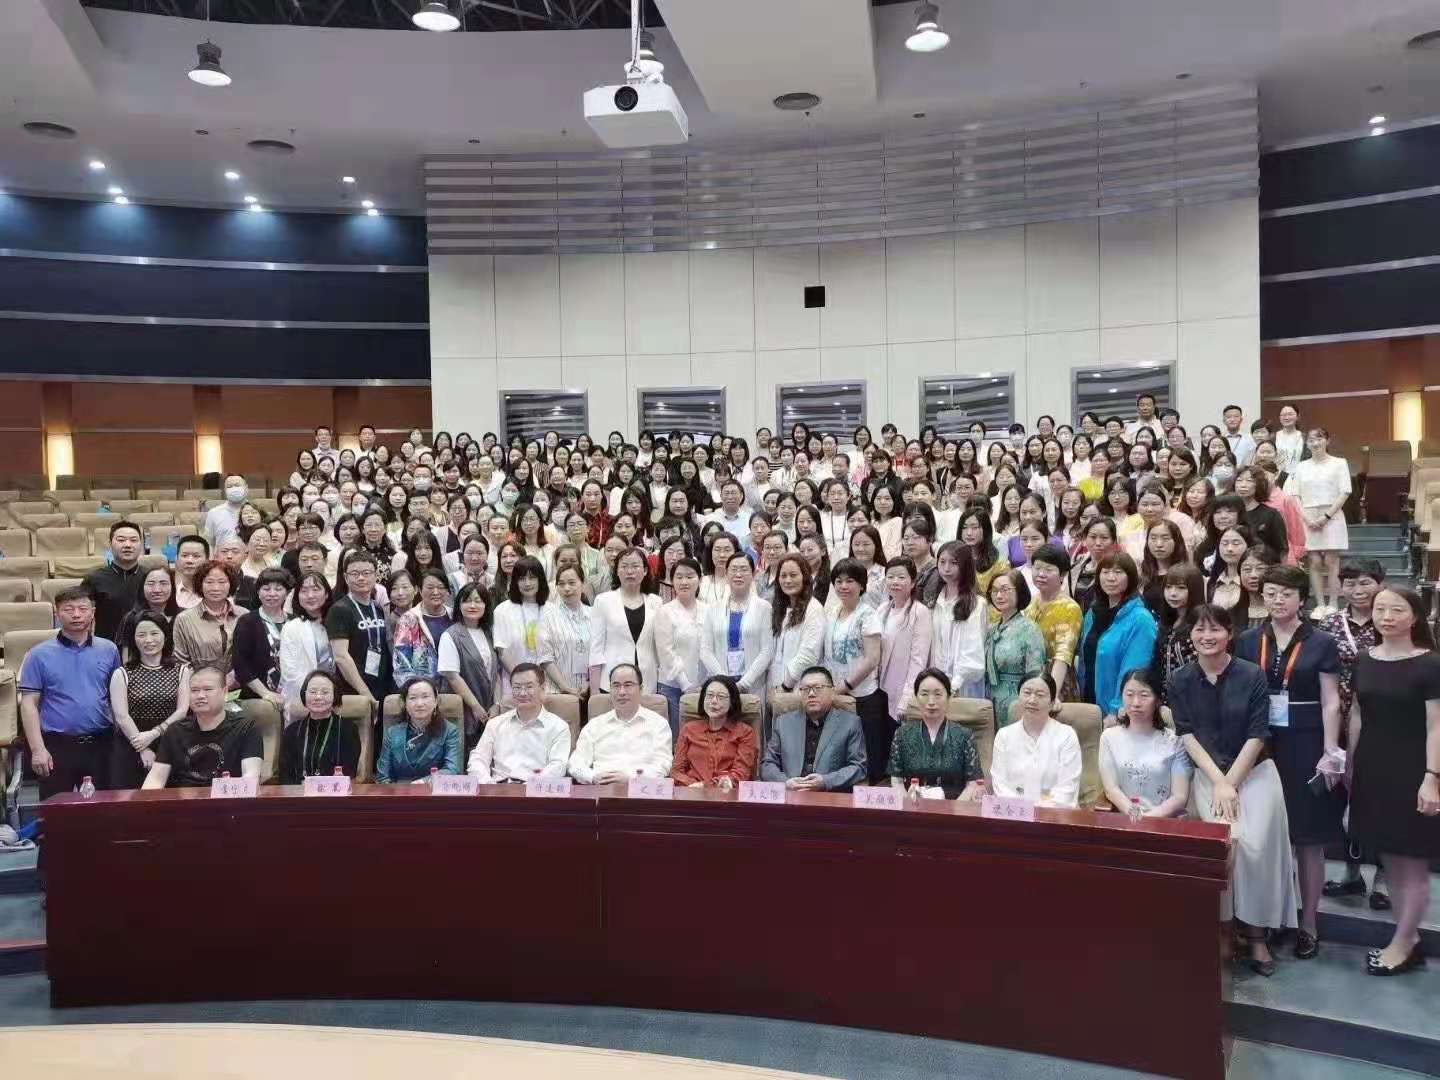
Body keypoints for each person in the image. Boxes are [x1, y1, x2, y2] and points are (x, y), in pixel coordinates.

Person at [1169, 604, 1297, 976]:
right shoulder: (1180, 679)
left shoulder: (1251, 674)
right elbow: (1187, 735)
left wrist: (1231, 783)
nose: (1206, 636)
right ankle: (1223, 931)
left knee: (1255, 848)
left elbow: (1258, 734)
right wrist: (1219, 782)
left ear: (1229, 633)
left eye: (1215, 629)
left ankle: (1256, 935)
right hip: (1208, 774)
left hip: (1254, 771)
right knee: (1223, 848)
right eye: (1199, 629)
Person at [1234, 564, 1345, 959]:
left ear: (1302, 598)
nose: (1277, 600)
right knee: (1264, 835)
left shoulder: (1322, 642)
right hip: (1261, 745)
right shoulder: (1248, 640)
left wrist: (1330, 750)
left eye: (1286, 594)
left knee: (1308, 839)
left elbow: (1331, 700)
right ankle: (1270, 918)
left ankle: (1309, 922)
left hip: (1307, 742)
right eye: (1270, 593)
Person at [1347, 586, 1440, 975]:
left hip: (1413, 769)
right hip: (1372, 766)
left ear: (1414, 616)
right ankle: (1408, 937)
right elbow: (1356, 713)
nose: (1386, 617)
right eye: (1380, 609)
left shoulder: (1430, 664)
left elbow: (1436, 726)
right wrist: (1350, 764)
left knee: (1412, 862)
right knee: (1390, 858)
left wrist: (1432, 777)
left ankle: (1403, 943)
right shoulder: (1363, 659)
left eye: (1396, 610)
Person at [1318, 559, 1389, 904]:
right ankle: (1351, 873)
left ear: (1379, 583)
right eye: (1349, 583)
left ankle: (1384, 880)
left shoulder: (1391, 616)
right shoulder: (1330, 623)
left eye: (1365, 582)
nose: (1358, 590)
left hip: (1383, 722)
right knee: (1343, 799)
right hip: (1337, 720)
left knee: (1383, 800)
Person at [18, 587, 121, 798]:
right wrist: (37, 749)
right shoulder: (38, 655)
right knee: (56, 810)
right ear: (57, 614)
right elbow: (28, 704)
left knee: (103, 809)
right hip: (57, 745)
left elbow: (116, 699)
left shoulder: (109, 650)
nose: (76, 614)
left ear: (93, 612)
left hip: (102, 744)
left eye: (82, 608)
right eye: (68, 609)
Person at [142, 664, 263, 788]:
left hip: (226, 797)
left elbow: (251, 778)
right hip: (182, 797)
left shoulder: (246, 728)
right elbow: (156, 778)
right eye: (194, 690)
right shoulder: (175, 730)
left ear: (225, 692)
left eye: (208, 689)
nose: (200, 696)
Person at [107, 611, 189, 789]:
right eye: (141, 635)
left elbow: (182, 711)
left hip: (169, 740)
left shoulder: (181, 670)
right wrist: (142, 747)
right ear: (134, 639)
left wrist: (154, 733)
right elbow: (121, 716)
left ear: (165, 636)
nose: (148, 640)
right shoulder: (122, 673)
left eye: (154, 633)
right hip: (131, 740)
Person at [821, 558, 886, 777]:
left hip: (863, 696)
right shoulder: (832, 612)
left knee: (868, 755)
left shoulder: (868, 615)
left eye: (850, 581)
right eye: (838, 581)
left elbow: (872, 658)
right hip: (836, 693)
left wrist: (845, 686)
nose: (844, 586)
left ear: (861, 585)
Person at [1098, 668, 1191, 817]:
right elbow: (1111, 789)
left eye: (1144, 695)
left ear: (1158, 700)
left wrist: (1149, 819)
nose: (1135, 703)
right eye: (1129, 695)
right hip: (1125, 819)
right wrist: (1136, 816)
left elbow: (1179, 796)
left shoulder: (1174, 741)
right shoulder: (1109, 738)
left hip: (1164, 821)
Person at [1077, 552, 1158, 722]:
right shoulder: (1092, 613)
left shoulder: (1140, 619)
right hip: (1089, 704)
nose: (1111, 578)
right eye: (1105, 572)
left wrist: (1117, 709)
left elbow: (1134, 670)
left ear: (1131, 578)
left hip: (1117, 713)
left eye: (1118, 572)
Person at [759, 666, 867, 792]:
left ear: (832, 692)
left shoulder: (850, 723)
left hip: (830, 797)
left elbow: (859, 767)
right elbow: (767, 764)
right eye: (805, 689)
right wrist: (785, 782)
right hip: (791, 796)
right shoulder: (783, 723)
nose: (811, 694)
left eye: (818, 688)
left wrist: (826, 781)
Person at [887, 668, 984, 799]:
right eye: (924, 694)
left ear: (948, 697)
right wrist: (908, 807)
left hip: (954, 806)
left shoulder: (965, 736)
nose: (931, 702)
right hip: (913, 806)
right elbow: (897, 782)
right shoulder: (902, 735)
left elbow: (972, 784)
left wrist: (955, 808)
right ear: (916, 697)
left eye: (938, 694)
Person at [466, 662, 571, 783]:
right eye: (517, 687)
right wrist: (487, 783)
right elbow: (478, 759)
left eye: (529, 687)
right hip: (499, 788)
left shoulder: (558, 727)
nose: (522, 693)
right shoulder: (495, 724)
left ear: (542, 688)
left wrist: (531, 786)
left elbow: (558, 766)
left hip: (536, 790)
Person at [988, 673, 1082, 807]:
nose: (1032, 700)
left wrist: (1036, 809)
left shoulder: (1066, 736)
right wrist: (1023, 809)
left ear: (1052, 703)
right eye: (1027, 693)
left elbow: (1067, 790)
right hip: (1014, 815)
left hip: (1055, 815)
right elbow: (1000, 786)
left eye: (1040, 695)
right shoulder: (1004, 736)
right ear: (1018, 697)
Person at [568, 662, 672, 782]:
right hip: (601, 787)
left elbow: (663, 765)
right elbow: (575, 763)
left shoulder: (658, 724)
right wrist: (592, 777)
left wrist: (631, 778)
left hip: (640, 788)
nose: (622, 692)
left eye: (628, 685)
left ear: (641, 689)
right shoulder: (594, 725)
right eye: (616, 685)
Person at [1284, 428, 1350, 612]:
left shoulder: (1339, 463)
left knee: (1331, 561)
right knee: (1313, 561)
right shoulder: (1301, 466)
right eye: (1311, 440)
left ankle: (1334, 603)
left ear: (1327, 441)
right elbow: (1295, 494)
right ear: (1307, 444)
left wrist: (1326, 516)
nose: (1315, 443)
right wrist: (1306, 518)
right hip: (1307, 515)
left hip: (1332, 514)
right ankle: (1320, 604)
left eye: (1319, 438)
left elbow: (1345, 492)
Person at [875, 557, 933, 756]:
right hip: (879, 691)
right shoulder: (882, 609)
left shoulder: (920, 612)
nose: (895, 582)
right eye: (890, 577)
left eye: (901, 577)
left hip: (902, 689)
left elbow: (919, 659)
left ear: (913, 582)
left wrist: (907, 697)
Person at [699, 552, 774, 696]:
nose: (738, 574)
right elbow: (705, 650)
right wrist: (724, 681)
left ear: (753, 574)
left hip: (753, 686)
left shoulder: (764, 608)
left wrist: (745, 683)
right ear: (726, 574)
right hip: (721, 688)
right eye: (733, 569)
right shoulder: (713, 609)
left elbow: (767, 651)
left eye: (744, 569)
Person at [590, 546, 662, 693]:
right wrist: (594, 691)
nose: (630, 571)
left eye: (635, 566)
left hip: (647, 681)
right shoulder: (603, 601)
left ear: (645, 570)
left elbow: (659, 647)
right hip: (612, 682)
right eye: (624, 566)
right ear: (616, 571)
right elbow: (596, 648)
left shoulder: (656, 602)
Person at [325, 549, 391, 709]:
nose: (361, 578)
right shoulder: (339, 609)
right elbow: (341, 657)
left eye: (367, 573)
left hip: (381, 687)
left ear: (375, 576)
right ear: (346, 577)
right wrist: (365, 694)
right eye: (355, 574)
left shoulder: (378, 608)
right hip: (354, 692)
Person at [438, 582, 500, 744]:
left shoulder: (489, 633)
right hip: (462, 709)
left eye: (478, 601)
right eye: (467, 601)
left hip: (489, 710)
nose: (473, 605)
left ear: (486, 605)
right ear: (459, 605)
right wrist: (475, 706)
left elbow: (496, 673)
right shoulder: (450, 635)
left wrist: (497, 704)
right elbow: (452, 676)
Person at [671, 674, 759, 788]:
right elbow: (676, 771)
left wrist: (705, 785)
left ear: (732, 701)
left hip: (727, 794)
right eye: (709, 695)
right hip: (691, 792)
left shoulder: (745, 733)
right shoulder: (689, 729)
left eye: (721, 697)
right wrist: (692, 785)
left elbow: (741, 774)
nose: (713, 701)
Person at [985, 570, 1046, 728]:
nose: (999, 595)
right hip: (990, 699)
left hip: (1017, 700)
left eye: (1005, 590)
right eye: (995, 591)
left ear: (1019, 591)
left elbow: (1035, 673)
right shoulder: (991, 630)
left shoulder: (1030, 629)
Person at [654, 556, 707, 736]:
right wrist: (686, 685)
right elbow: (666, 652)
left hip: (703, 686)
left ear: (700, 580)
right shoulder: (665, 611)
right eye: (679, 577)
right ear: (672, 581)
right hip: (673, 687)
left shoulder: (709, 610)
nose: (684, 582)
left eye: (690, 576)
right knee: (678, 739)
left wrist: (706, 683)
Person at [230, 565, 290, 721]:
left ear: (287, 592)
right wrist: (266, 694)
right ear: (258, 592)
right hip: (258, 697)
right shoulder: (248, 621)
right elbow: (240, 665)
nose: (272, 594)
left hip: (291, 694)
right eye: (266, 589)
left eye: (278, 589)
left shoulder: (294, 621)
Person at [278, 670, 361, 782]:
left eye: (325, 692)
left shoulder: (348, 729)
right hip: (298, 791)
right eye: (313, 692)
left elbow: (349, 772)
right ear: (304, 695)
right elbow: (285, 776)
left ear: (335, 696)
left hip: (333, 790)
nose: (318, 697)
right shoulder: (291, 732)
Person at [929, 541, 987, 700]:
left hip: (963, 686)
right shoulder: (936, 600)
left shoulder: (976, 603)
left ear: (965, 565)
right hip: (938, 681)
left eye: (953, 563)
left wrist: (954, 685)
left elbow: (973, 650)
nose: (946, 568)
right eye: (942, 562)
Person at [376, 676, 461, 782]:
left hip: (433, 790)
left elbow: (453, 770)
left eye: (425, 697)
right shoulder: (393, 733)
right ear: (405, 704)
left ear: (435, 701)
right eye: (413, 698)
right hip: (398, 791)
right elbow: (382, 776)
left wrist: (422, 782)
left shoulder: (450, 731)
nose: (419, 704)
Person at [765, 553, 826, 701]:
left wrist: (786, 686)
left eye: (793, 575)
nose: (788, 580)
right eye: (783, 576)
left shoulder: (813, 609)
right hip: (776, 689)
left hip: (798, 690)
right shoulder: (780, 608)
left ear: (805, 577)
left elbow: (808, 655)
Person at [279, 572, 336, 721]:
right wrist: (316, 694)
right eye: (304, 591)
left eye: (316, 589)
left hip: (337, 694)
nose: (310, 595)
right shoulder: (292, 627)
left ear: (327, 594)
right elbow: (289, 672)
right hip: (304, 696)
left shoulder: (337, 622)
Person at [1027, 544, 1082, 698]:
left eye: (1049, 570)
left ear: (1063, 575)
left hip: (1057, 684)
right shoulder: (1032, 602)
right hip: (1031, 680)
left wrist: (1051, 695)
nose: (1041, 574)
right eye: (1037, 568)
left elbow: (1063, 656)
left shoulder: (1069, 608)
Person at [171, 560, 245, 671]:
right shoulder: (184, 619)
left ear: (231, 584)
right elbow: (180, 661)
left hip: (239, 679)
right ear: (200, 585)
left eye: (222, 582)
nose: (216, 588)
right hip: (197, 679)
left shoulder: (244, 615)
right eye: (209, 582)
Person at [84, 521, 145, 642]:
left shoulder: (151, 577)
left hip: (145, 645)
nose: (128, 545)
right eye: (121, 540)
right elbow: (84, 615)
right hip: (106, 645)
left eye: (133, 540)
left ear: (141, 545)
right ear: (110, 544)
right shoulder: (94, 578)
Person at [392, 568, 452, 688]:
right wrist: (414, 691)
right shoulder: (408, 619)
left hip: (454, 688)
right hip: (422, 690)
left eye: (441, 587)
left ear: (447, 591)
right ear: (419, 590)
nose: (435, 592)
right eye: (430, 587)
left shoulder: (455, 616)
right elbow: (401, 663)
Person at [538, 564, 591, 697]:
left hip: (590, 691)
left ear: (583, 584)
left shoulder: (594, 614)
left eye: (572, 583)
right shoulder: (547, 616)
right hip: (557, 692)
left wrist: (590, 683)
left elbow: (600, 653)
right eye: (561, 584)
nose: (566, 588)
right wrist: (564, 687)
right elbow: (545, 657)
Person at [203, 475, 249, 548]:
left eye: (237, 485)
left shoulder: (257, 512)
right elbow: (208, 542)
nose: (234, 489)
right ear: (225, 491)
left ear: (246, 488)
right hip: (222, 554)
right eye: (229, 486)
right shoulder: (214, 513)